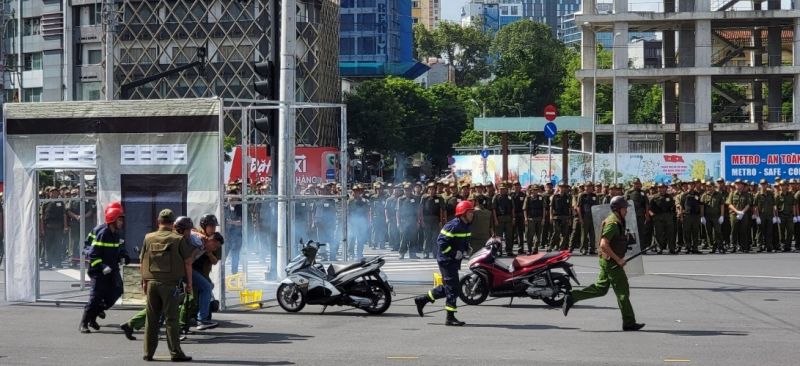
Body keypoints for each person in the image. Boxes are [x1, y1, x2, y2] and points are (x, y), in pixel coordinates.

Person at [562, 196, 645, 331]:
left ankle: (572, 297)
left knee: (601, 289)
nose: (626, 211)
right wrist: (618, 260)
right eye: (624, 209)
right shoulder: (613, 223)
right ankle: (629, 322)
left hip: (607, 260)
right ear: (617, 209)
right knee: (622, 292)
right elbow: (603, 244)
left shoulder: (618, 220)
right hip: (612, 262)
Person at [140, 209, 194, 362]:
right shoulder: (178, 239)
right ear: (173, 223)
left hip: (152, 284)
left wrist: (144, 281)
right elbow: (188, 262)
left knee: (151, 319)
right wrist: (189, 284)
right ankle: (175, 353)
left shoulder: (148, 238)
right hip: (170, 285)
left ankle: (148, 353)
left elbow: (142, 261)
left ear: (159, 222)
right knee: (172, 319)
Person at [414, 200, 474, 326]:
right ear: (463, 213)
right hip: (446, 260)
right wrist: (453, 253)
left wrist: (467, 248)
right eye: (470, 212)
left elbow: (463, 240)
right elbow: (441, 243)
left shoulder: (467, 224)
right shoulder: (453, 225)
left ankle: (423, 299)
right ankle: (450, 318)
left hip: (454, 260)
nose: (472, 214)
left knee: (449, 287)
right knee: (453, 288)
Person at [79, 203, 128, 333]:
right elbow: (93, 254)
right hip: (99, 270)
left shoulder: (117, 233)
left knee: (118, 290)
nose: (122, 222)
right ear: (112, 218)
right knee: (95, 296)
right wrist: (102, 266)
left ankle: (97, 310)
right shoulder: (102, 233)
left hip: (112, 268)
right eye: (120, 219)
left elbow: (119, 248)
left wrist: (124, 256)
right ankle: (84, 322)